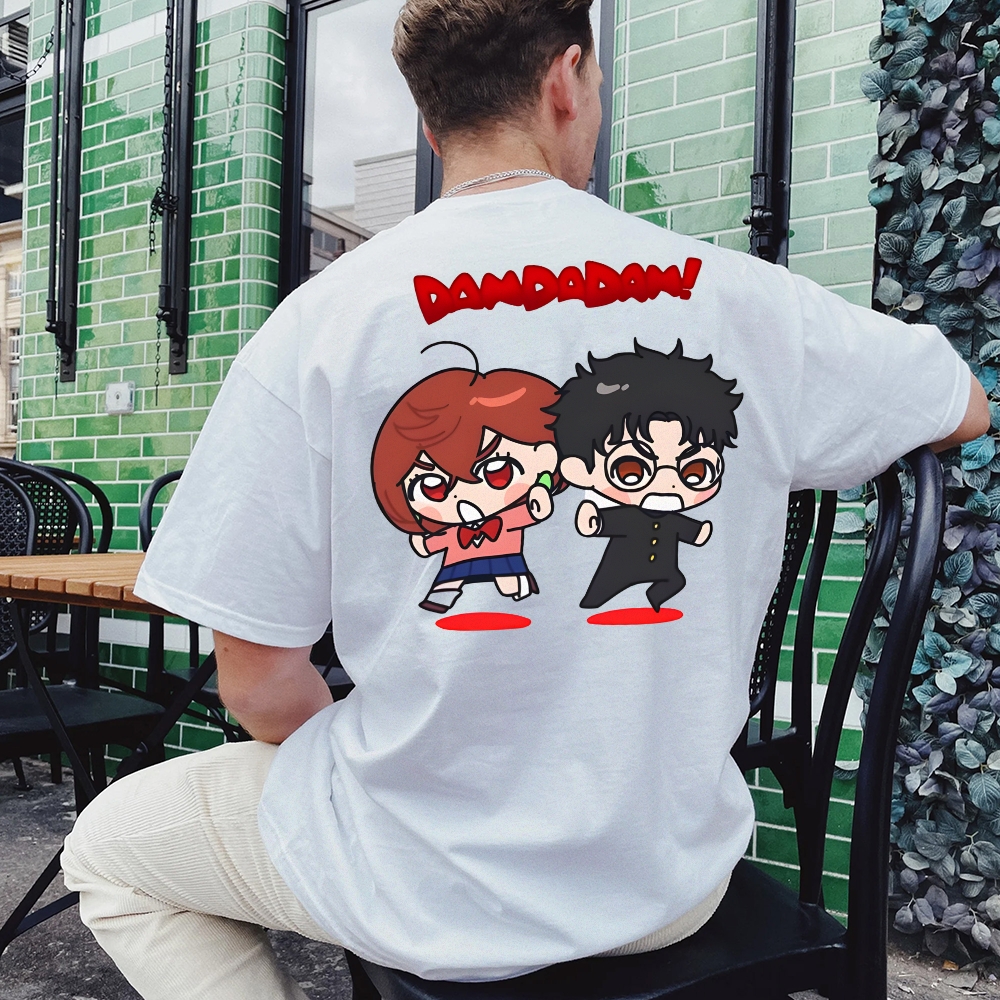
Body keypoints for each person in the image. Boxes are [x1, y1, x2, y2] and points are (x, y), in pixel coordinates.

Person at [60, 0, 989, 997]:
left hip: (425, 881)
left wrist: (389, 771)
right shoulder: (741, 298)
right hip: (666, 879)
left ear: (431, 124)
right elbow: (962, 403)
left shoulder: (319, 322)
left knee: (110, 850)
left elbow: (254, 687)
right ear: (565, 82)